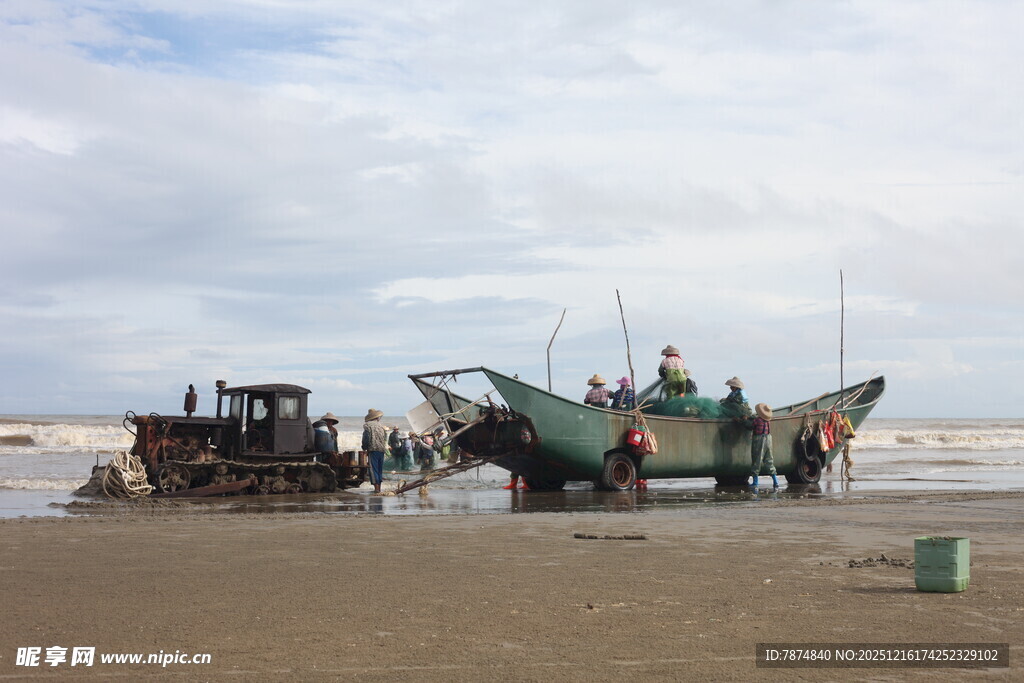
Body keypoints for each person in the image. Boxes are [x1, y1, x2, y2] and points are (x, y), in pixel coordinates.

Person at [743, 403, 779, 489]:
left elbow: (749, 426)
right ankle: (775, 481)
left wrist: (744, 420)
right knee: (769, 460)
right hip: (769, 439)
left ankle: (755, 482)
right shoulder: (767, 421)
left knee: (757, 460)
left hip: (759, 440)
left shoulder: (757, 420)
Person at [361, 408, 388, 493]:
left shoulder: (368, 426)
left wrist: (364, 447)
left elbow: (366, 438)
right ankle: (379, 488)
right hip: (381, 450)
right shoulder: (381, 426)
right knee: (380, 469)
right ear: (377, 417)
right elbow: (384, 439)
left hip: (373, 450)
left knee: (373, 469)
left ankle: (376, 489)